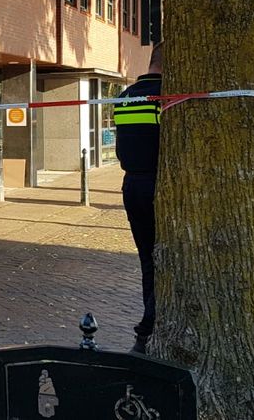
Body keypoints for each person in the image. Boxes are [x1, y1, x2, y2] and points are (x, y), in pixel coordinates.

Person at [113, 42, 163, 354]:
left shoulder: (124, 97)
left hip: (132, 185)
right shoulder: (166, 97)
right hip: (161, 185)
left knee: (149, 259)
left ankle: (146, 333)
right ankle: (150, 327)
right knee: (167, 260)